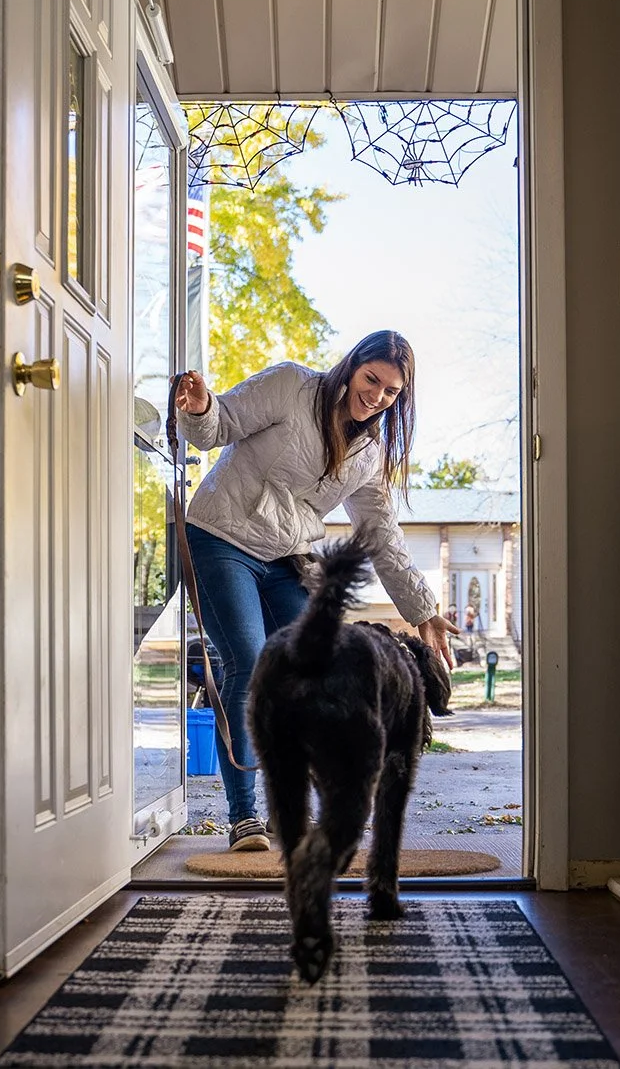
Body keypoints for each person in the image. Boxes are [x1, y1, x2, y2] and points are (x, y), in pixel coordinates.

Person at [175, 330, 460, 851]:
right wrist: (200, 407)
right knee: (248, 660)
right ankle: (244, 818)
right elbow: (220, 425)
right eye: (372, 378)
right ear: (352, 366)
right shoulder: (290, 385)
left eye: (392, 391)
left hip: (288, 559)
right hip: (222, 538)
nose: (377, 396)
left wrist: (423, 609)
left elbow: (382, 534)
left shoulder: (370, 454)